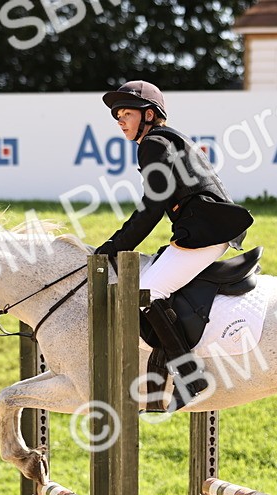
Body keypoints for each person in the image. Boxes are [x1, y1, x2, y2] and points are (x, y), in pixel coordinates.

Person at [95, 80, 253, 410]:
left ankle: (190, 375)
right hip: (202, 229)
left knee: (146, 293)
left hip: (204, 232)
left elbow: (152, 207)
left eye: (126, 113)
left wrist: (113, 246)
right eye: (117, 116)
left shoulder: (153, 142)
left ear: (149, 114)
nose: (120, 121)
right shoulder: (166, 140)